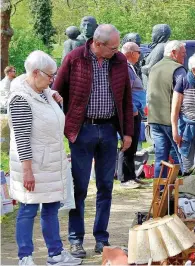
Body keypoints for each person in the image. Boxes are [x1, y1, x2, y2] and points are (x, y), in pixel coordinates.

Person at [53, 24, 133, 258]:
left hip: (109, 130)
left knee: (106, 186)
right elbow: (56, 93)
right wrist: (64, 128)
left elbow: (127, 98)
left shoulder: (118, 61)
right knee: (79, 187)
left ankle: (102, 238)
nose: (117, 51)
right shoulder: (74, 58)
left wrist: (127, 132)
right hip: (82, 130)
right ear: (97, 44)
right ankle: (76, 240)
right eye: (113, 47)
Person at [8, 51, 81, 266]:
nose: (53, 79)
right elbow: (21, 139)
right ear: (36, 72)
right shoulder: (20, 99)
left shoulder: (44, 92)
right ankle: (25, 257)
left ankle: (55, 253)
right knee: (28, 209)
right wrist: (27, 171)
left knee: (50, 209)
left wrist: (55, 100)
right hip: (32, 164)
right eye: (50, 75)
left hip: (50, 163)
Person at [147, 40, 186, 177]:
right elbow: (184, 93)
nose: (184, 57)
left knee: (160, 159)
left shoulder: (154, 67)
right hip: (172, 121)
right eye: (182, 54)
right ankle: (185, 191)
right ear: (173, 53)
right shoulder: (178, 70)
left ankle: (160, 192)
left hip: (154, 119)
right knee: (182, 157)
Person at [120, 42, 146, 189]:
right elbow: (125, 91)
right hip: (130, 112)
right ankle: (124, 178)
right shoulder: (125, 67)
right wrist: (132, 108)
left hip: (136, 111)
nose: (139, 54)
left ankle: (132, 175)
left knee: (134, 144)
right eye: (137, 51)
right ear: (130, 52)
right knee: (127, 144)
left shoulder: (130, 67)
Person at [141, 24, 172, 89]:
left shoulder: (161, 47)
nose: (151, 35)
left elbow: (151, 69)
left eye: (153, 32)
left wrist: (139, 67)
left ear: (160, 34)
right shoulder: (164, 45)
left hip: (154, 88)